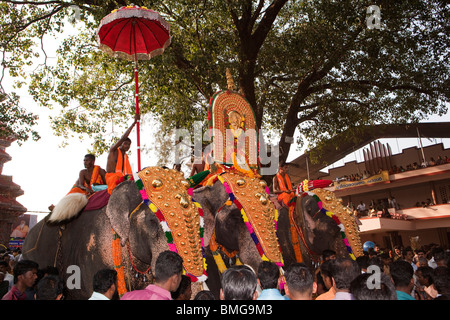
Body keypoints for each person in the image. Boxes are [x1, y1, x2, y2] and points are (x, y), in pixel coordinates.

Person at [105, 114, 139, 194]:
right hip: (112, 178)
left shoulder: (125, 156)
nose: (127, 146)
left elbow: (128, 173)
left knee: (138, 178)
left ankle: (145, 200)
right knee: (117, 177)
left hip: (122, 178)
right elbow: (123, 138)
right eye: (125, 144)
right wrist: (134, 123)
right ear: (120, 144)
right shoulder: (113, 150)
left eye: (129, 144)